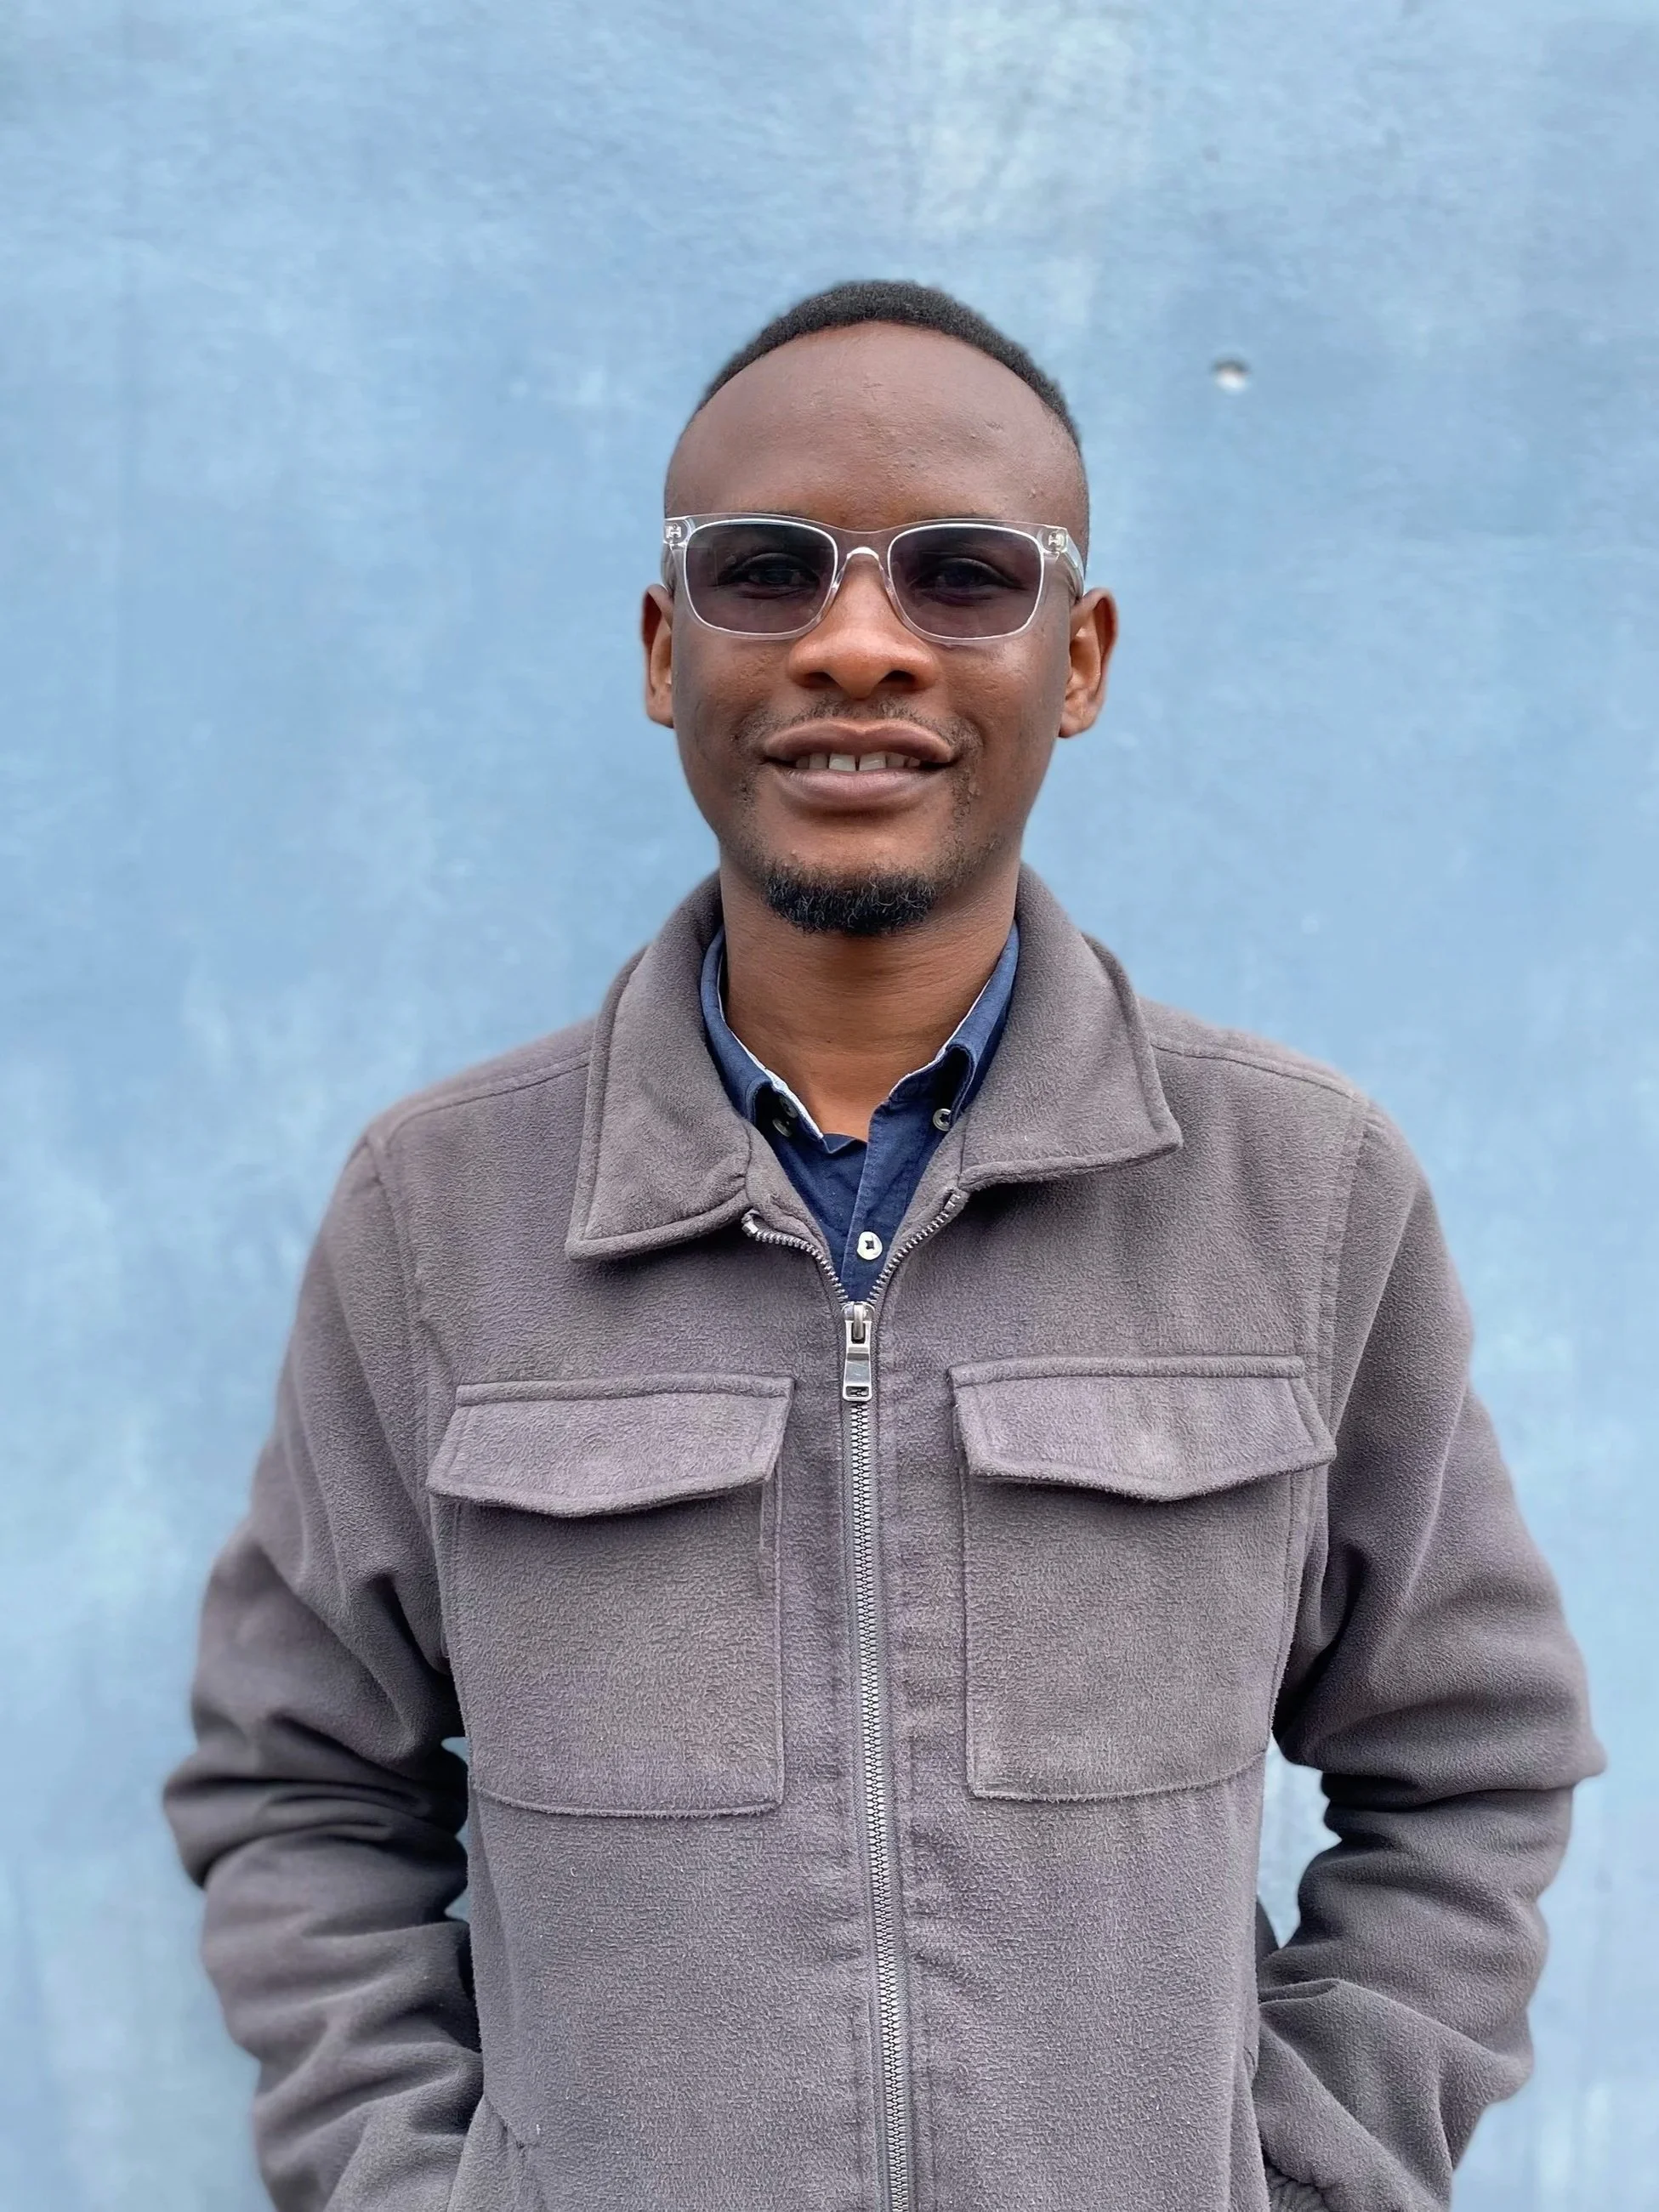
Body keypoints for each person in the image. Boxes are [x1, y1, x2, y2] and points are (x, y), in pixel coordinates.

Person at [164, 280, 1601, 2212]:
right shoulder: (440, 1214)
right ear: (665, 649)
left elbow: (1472, 1759)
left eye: (961, 576)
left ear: (1077, 658)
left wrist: (1308, 2173)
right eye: (766, 573)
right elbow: (301, 1786)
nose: (858, 642)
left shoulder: (1302, 1189)